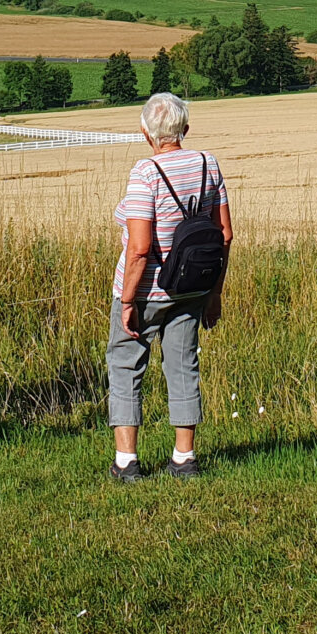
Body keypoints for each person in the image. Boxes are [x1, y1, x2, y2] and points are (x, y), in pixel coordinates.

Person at [108, 91, 231, 482]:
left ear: (146, 132)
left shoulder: (145, 173)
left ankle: (127, 462)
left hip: (147, 291)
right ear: (185, 129)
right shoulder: (208, 164)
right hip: (192, 288)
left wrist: (128, 300)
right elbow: (225, 234)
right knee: (183, 366)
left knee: (126, 366)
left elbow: (140, 247)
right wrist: (214, 292)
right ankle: (185, 458)